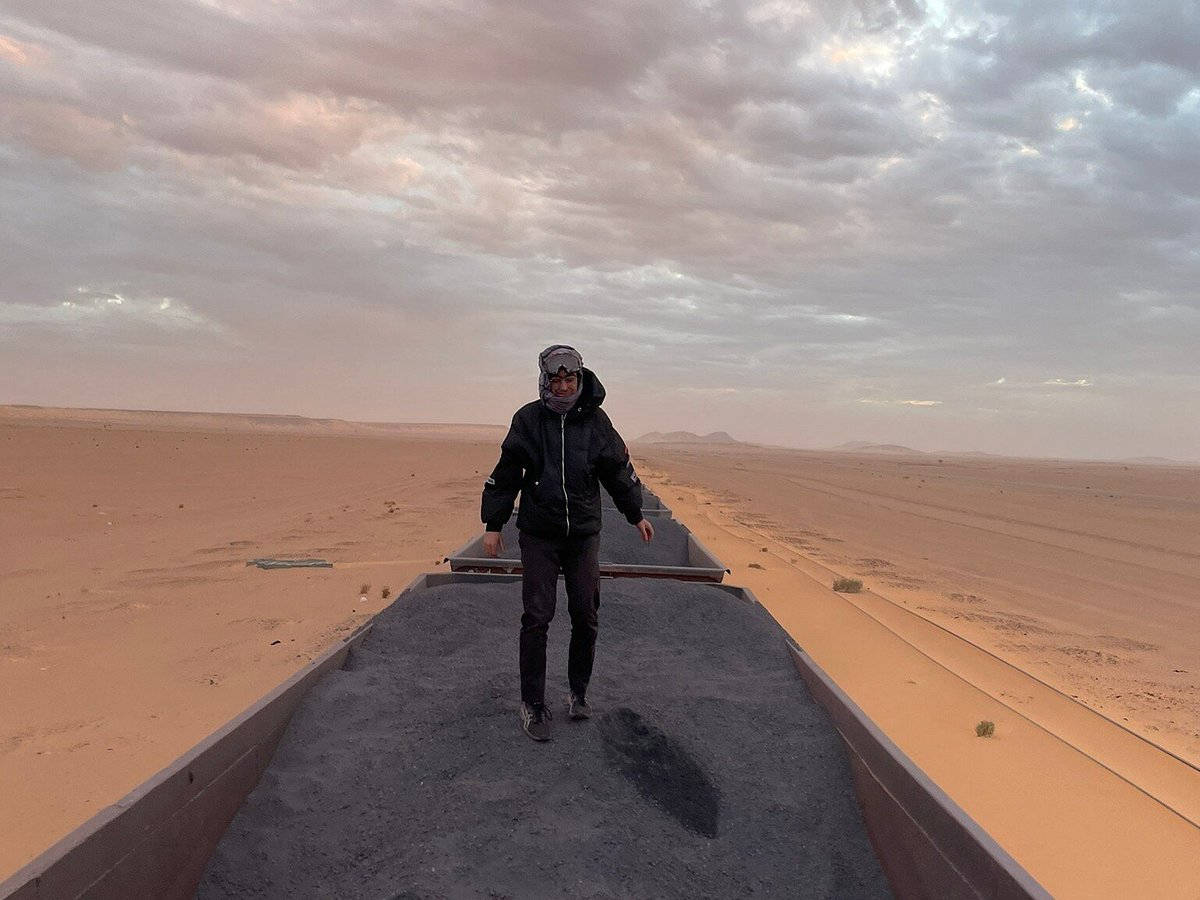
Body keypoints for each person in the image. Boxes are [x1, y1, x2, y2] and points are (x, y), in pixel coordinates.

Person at [481, 345, 653, 742]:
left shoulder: (595, 421)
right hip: (539, 533)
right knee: (537, 617)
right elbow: (506, 472)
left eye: (569, 379)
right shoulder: (528, 420)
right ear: (545, 380)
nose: (562, 386)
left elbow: (617, 470)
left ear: (579, 379)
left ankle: (578, 693)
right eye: (555, 379)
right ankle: (533, 703)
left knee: (585, 614)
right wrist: (494, 524)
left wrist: (636, 514)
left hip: (583, 536)